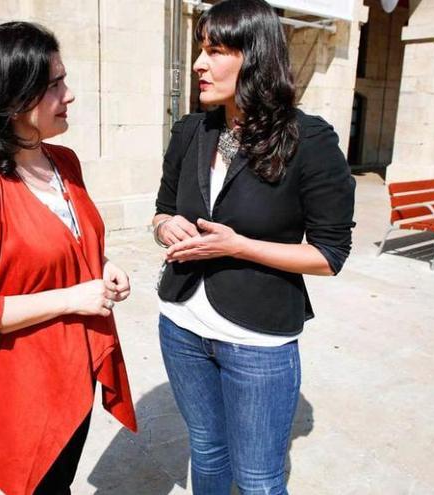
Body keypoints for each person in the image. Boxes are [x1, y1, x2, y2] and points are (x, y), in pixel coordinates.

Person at [152, 0, 356, 493]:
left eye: (216, 50)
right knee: (205, 449)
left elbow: (329, 255)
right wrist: (166, 228)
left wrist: (239, 246)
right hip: (181, 326)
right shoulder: (190, 131)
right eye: (201, 49)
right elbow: (161, 209)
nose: (200, 64)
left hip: (258, 343)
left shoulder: (309, 139)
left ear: (256, 57)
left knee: (259, 478)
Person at [0, 22, 137, 495]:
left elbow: (70, 242)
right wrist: (71, 299)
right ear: (13, 100)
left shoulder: (64, 162)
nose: (70, 95)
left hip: (74, 369)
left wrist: (102, 268)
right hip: (23, 384)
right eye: (55, 85)